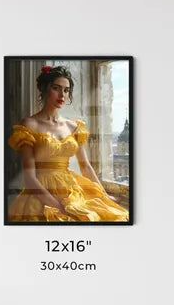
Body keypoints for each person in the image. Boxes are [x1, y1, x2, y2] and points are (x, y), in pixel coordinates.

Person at [7, 65, 128, 222]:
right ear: (44, 89)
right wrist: (58, 206)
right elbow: (30, 178)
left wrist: (105, 196)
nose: (62, 95)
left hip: (72, 189)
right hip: (40, 191)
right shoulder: (29, 125)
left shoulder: (73, 127)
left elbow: (85, 166)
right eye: (56, 88)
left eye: (66, 90)